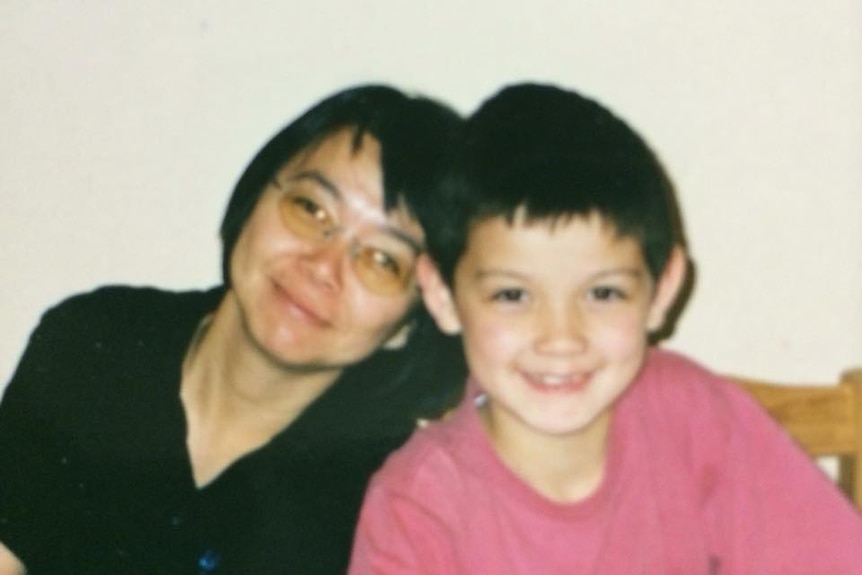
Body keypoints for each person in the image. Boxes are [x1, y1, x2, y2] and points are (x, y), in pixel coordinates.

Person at [348, 83, 862, 574]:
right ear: (443, 296)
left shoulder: (693, 414)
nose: (561, 338)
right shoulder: (418, 508)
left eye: (602, 293)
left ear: (661, 290)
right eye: (513, 295)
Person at [0, 85, 467, 574]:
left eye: (381, 260)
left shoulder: (392, 497)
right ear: (255, 198)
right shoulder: (97, 345)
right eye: (311, 209)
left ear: (410, 323)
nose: (322, 266)